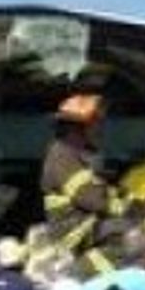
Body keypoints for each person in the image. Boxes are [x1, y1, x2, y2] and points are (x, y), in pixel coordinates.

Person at [40, 93, 126, 278]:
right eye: (96, 123)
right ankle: (83, 274)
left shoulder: (80, 154)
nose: (100, 129)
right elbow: (93, 200)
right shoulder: (62, 156)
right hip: (73, 232)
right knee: (131, 234)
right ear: (78, 128)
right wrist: (127, 208)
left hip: (86, 226)